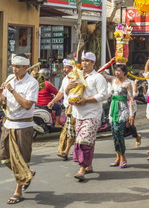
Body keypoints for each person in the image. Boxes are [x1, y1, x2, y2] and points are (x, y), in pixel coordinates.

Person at [0, 54, 38, 204]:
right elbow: (7, 101)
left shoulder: (32, 83)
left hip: (23, 126)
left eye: (18, 67)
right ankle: (27, 173)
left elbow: (26, 105)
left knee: (21, 158)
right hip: (9, 123)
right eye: (13, 66)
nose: (15, 69)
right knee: (3, 156)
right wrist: (0, 94)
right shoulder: (10, 79)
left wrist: (11, 91)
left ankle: (18, 191)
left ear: (26, 67)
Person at [67, 52, 108, 181]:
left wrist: (87, 100)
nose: (84, 63)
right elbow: (67, 92)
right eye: (83, 60)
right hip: (78, 113)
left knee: (83, 141)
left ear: (93, 63)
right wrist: (68, 88)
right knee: (88, 141)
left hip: (92, 114)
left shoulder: (98, 78)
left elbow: (104, 95)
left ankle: (82, 169)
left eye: (87, 61)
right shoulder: (76, 75)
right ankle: (89, 165)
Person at [103, 64, 135, 169]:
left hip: (122, 110)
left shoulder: (127, 84)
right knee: (114, 134)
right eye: (116, 70)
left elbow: (130, 99)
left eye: (119, 71)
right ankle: (117, 157)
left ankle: (123, 157)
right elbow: (99, 73)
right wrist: (108, 63)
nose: (117, 73)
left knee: (119, 133)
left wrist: (131, 114)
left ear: (124, 72)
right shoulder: (112, 80)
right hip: (113, 109)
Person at [50, 59, 74, 160]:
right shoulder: (65, 79)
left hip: (75, 107)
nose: (64, 69)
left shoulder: (76, 79)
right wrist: (53, 101)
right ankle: (64, 150)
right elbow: (61, 93)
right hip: (68, 107)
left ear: (72, 68)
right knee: (67, 130)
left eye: (66, 67)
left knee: (70, 130)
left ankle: (66, 150)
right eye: (64, 67)